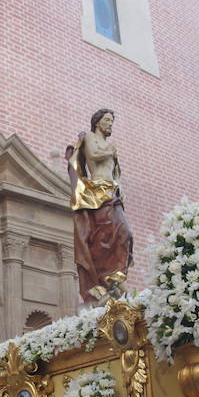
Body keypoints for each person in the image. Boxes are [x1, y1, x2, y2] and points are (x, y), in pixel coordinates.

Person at [69, 108, 134, 302]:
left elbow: (114, 173)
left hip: (112, 193)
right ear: (97, 122)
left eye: (111, 120)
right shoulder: (90, 137)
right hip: (97, 192)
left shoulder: (107, 144)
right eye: (107, 120)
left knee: (125, 234)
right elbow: (93, 154)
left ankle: (116, 276)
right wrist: (111, 150)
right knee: (103, 238)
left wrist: (119, 186)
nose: (110, 124)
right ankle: (103, 280)